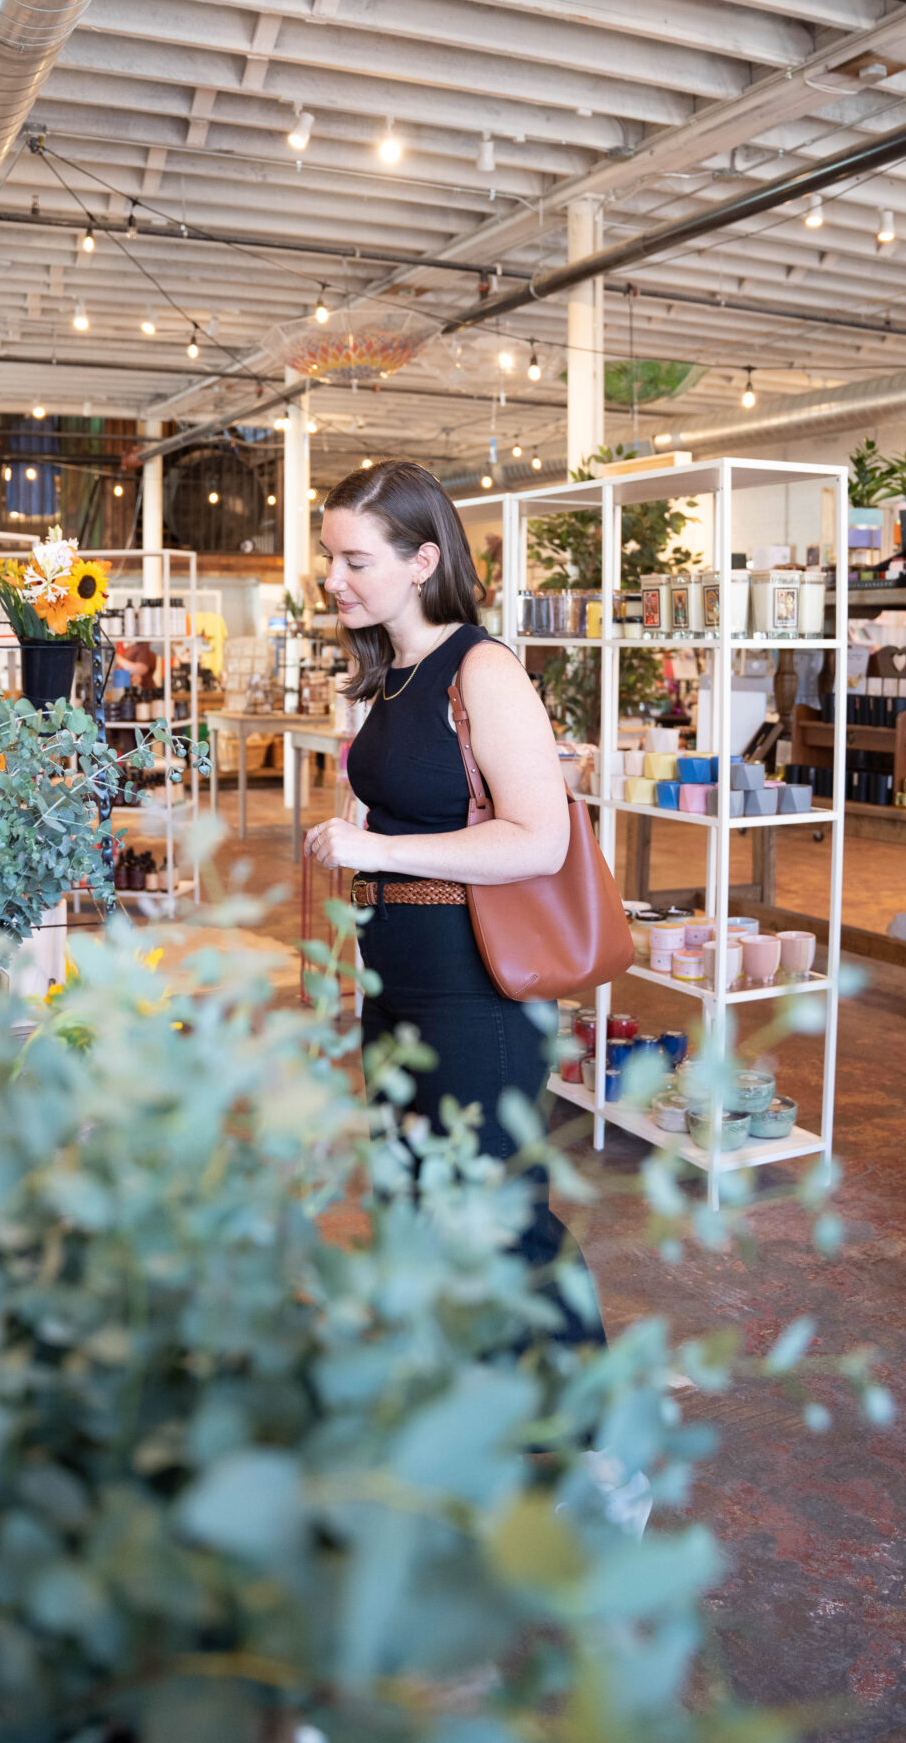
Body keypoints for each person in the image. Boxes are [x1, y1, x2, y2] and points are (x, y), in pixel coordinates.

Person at [304, 458, 604, 1345]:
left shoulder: (482, 669)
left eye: (355, 561)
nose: (332, 579)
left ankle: (594, 1449)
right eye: (329, 558)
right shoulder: (391, 674)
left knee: (502, 1218)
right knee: (413, 1196)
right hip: (399, 978)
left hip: (479, 991)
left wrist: (375, 848)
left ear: (424, 562)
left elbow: (537, 839)